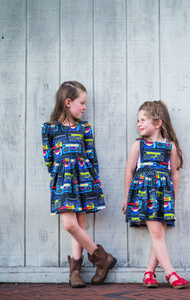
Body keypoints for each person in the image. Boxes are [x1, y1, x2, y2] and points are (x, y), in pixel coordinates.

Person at [42, 81, 117, 288]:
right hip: (63, 182)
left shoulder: (84, 127)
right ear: (68, 102)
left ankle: (75, 272)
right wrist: (60, 178)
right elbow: (49, 159)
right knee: (70, 224)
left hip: (84, 178)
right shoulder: (49, 128)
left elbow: (91, 155)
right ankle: (102, 258)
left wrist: (94, 179)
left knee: (80, 226)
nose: (85, 107)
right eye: (82, 103)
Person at [122, 100, 189, 289]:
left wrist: (172, 199)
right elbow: (129, 172)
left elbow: (174, 174)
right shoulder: (138, 145)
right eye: (138, 120)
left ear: (158, 123)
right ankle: (171, 274)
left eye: (143, 120)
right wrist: (128, 198)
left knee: (158, 235)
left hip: (163, 197)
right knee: (157, 233)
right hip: (143, 196)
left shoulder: (170, 147)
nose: (139, 124)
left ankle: (149, 274)